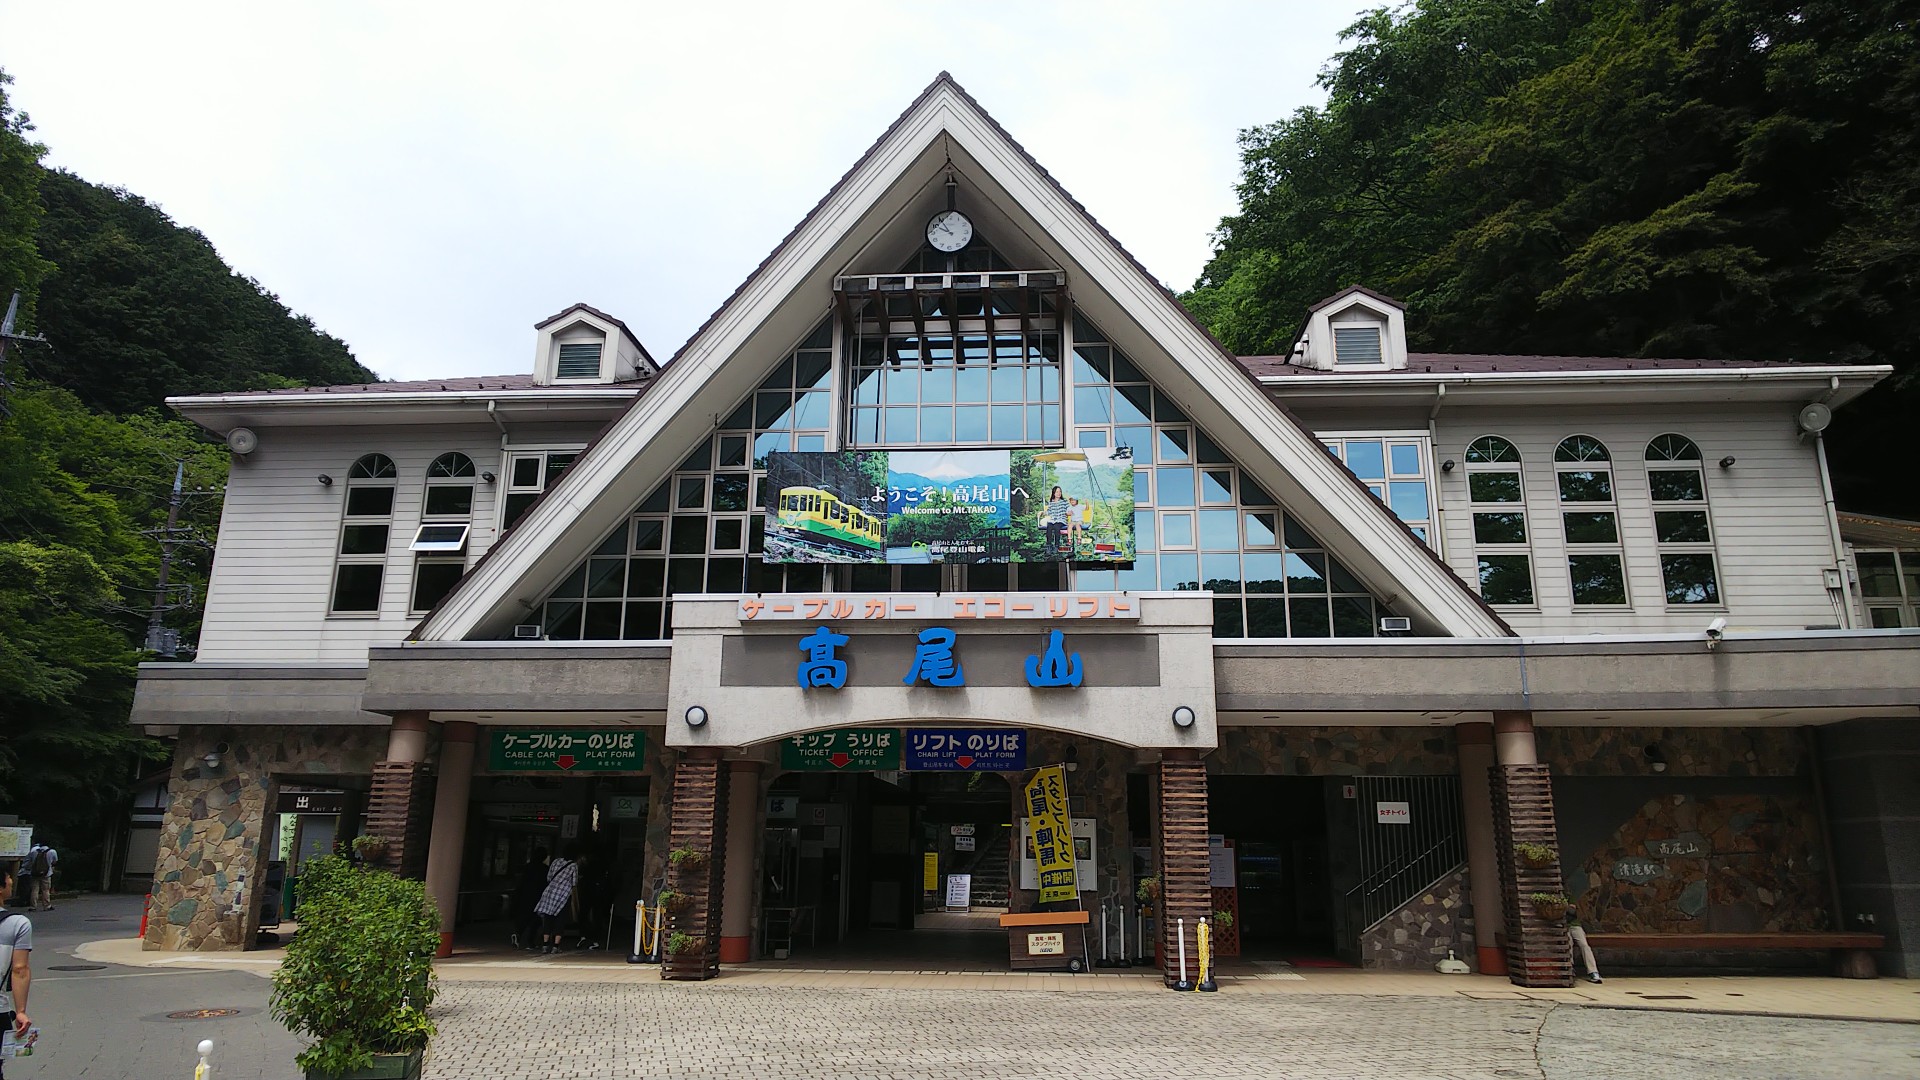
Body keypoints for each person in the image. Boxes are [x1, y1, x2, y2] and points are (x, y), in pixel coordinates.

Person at [0, 864, 35, 1078]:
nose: (11, 881)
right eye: (8, 877)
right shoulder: (17, 924)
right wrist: (20, 1011)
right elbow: (20, 969)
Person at [534, 842, 581, 955]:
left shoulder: (556, 861)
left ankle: (545, 945)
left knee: (548, 918)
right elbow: (574, 882)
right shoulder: (573, 866)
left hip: (550, 893)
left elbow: (549, 877)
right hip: (563, 896)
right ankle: (555, 946)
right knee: (560, 919)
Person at [510, 847, 548, 950]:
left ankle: (518, 934)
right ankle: (530, 942)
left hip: (525, 895)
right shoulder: (545, 869)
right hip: (538, 896)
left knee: (524, 917)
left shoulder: (527, 867)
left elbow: (520, 882)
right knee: (535, 920)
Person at [1568, 909, 1602, 984]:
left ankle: (1593, 971)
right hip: (1563, 926)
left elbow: (1573, 910)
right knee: (1568, 944)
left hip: (1575, 926)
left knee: (1584, 945)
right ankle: (1570, 968)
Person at [21, 845, 53, 913]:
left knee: (34, 890)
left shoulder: (33, 852)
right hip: (46, 874)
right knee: (45, 890)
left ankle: (33, 906)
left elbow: (28, 863)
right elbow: (54, 861)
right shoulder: (51, 852)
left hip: (35, 874)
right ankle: (47, 906)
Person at [1043, 486, 1069, 554]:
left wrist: (1070, 513)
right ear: (1054, 493)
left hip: (1061, 519)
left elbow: (1069, 509)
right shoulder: (1051, 502)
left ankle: (1056, 545)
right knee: (1049, 526)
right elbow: (1049, 511)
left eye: (1060, 491)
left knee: (1057, 527)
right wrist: (1043, 513)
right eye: (1057, 492)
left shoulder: (1064, 501)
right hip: (1053, 519)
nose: (1059, 493)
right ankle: (1049, 545)